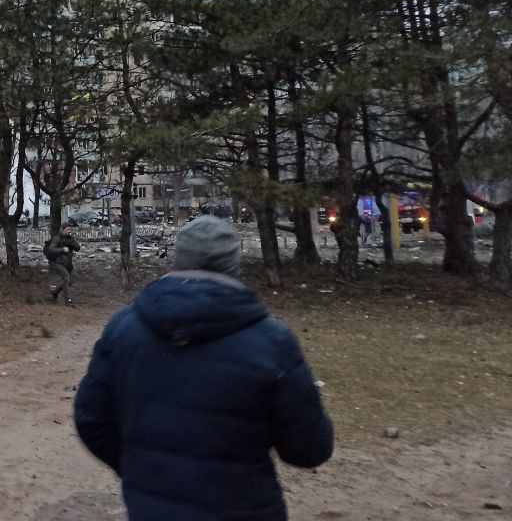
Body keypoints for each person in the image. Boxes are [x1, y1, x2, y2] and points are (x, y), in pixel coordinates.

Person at [74, 215, 333, 520]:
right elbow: (308, 449)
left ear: (178, 258)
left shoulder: (124, 328)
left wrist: (142, 470)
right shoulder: (272, 341)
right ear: (235, 265)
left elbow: (92, 419)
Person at [45, 225, 81, 305]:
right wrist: (62, 250)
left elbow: (78, 248)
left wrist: (72, 240)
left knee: (71, 281)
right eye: (68, 229)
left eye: (70, 229)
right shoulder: (57, 239)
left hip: (68, 263)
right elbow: (51, 249)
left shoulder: (70, 238)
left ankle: (55, 292)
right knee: (66, 279)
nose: (69, 231)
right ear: (62, 229)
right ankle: (67, 300)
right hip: (58, 262)